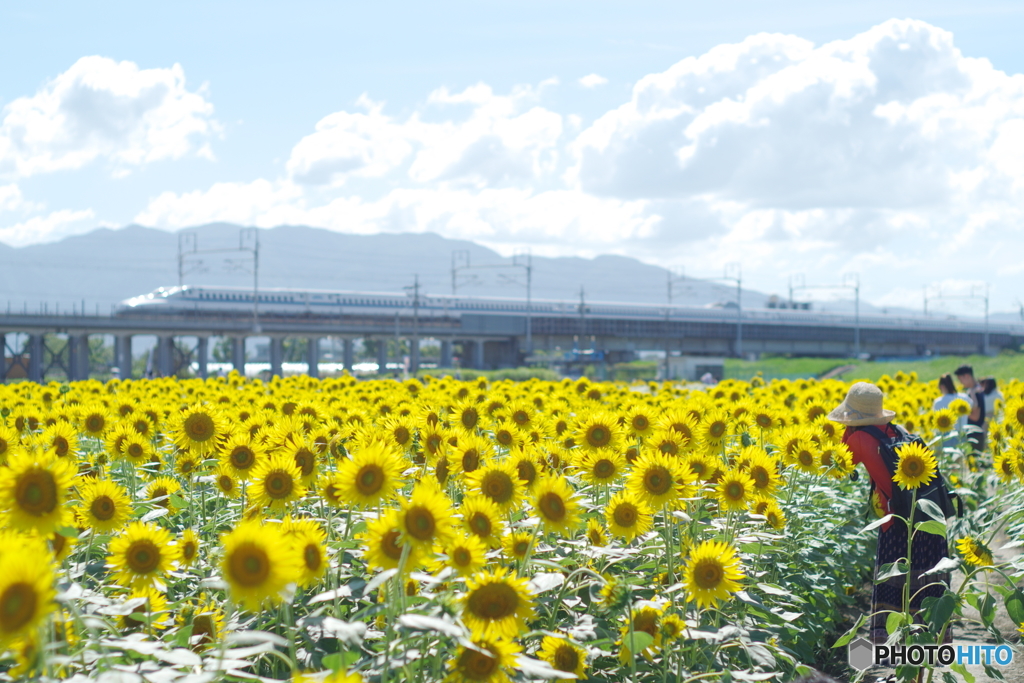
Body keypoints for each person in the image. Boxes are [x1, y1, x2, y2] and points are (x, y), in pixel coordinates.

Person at [828, 382, 951, 645]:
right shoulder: (898, 431)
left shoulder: (859, 439)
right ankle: (924, 655)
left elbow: (839, 469)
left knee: (895, 595)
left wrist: (846, 433)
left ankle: (896, 656)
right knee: (925, 594)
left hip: (897, 528)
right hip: (927, 523)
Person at [954, 365, 989, 452]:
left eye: (960, 379)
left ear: (967, 376)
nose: (960, 382)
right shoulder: (975, 390)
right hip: (974, 434)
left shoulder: (975, 392)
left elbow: (975, 417)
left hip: (975, 435)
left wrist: (959, 412)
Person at [932, 374, 970, 447]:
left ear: (942, 386)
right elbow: (973, 406)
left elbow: (935, 420)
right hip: (962, 433)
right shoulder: (964, 397)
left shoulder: (938, 402)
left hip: (946, 435)